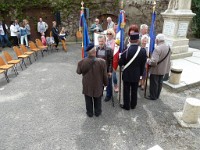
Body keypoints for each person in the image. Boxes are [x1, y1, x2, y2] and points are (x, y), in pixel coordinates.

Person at [76, 43, 108, 117]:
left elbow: (78, 72)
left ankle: (90, 113)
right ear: (95, 52)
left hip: (87, 84)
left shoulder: (81, 62)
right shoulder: (102, 62)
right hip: (98, 84)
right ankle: (97, 112)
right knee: (98, 99)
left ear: (88, 52)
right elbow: (104, 75)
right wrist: (106, 83)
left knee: (88, 99)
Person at [118, 32, 147, 110]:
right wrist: (140, 74)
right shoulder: (143, 51)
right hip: (136, 74)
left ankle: (126, 106)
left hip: (127, 74)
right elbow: (143, 64)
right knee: (134, 90)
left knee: (126, 90)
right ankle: (133, 105)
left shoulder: (126, 50)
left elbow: (120, 63)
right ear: (138, 40)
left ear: (130, 40)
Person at [146, 34, 171, 100]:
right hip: (164, 68)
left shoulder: (157, 48)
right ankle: (157, 95)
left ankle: (153, 96)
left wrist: (148, 61)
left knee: (154, 83)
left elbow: (154, 62)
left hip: (156, 69)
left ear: (157, 40)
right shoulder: (168, 47)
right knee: (160, 82)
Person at [96, 35, 113, 102]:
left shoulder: (109, 49)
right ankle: (100, 93)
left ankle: (109, 95)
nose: (100, 43)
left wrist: (110, 71)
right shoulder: (96, 48)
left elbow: (111, 61)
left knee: (108, 83)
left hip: (106, 70)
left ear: (105, 41)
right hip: (98, 70)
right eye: (99, 41)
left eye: (102, 41)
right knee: (99, 83)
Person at [106, 28, 119, 92]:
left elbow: (116, 51)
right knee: (106, 74)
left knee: (113, 74)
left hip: (113, 60)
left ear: (112, 34)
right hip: (106, 60)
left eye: (110, 33)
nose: (108, 35)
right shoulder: (105, 41)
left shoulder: (115, 42)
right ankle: (107, 85)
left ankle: (115, 85)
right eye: (107, 33)